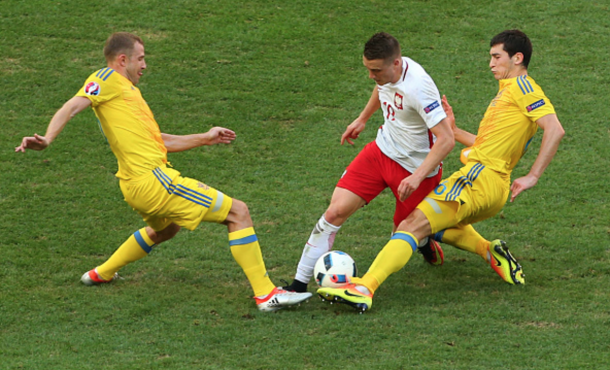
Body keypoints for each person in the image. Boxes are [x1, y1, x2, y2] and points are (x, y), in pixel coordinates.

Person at [15, 32, 312, 312]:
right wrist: (48, 138)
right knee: (238, 212)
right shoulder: (106, 79)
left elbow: (159, 141)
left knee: (166, 229)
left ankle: (99, 273)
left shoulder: (126, 95)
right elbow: (72, 106)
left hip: (134, 187)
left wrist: (205, 137)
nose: (144, 65)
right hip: (156, 182)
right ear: (122, 60)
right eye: (140, 58)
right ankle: (266, 293)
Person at [318, 29, 566, 312]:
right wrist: (454, 129)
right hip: (492, 185)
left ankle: (364, 288)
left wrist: (533, 175)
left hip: (477, 179)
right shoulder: (507, 93)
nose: (491, 63)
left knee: (410, 225)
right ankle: (488, 250)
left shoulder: (524, 88)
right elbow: (488, 145)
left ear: (517, 58)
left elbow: (555, 129)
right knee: (429, 223)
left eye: (497, 57)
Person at [282, 32, 455, 293]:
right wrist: (362, 118)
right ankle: (297, 286)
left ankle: (424, 241)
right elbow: (381, 88)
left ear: (395, 64)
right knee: (334, 212)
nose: (371, 76)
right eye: (368, 69)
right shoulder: (388, 72)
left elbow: (447, 140)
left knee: (402, 234)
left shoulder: (419, 87)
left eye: (375, 70)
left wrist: (417, 176)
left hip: (415, 168)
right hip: (381, 153)